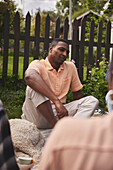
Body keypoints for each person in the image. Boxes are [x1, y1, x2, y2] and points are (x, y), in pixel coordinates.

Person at [22, 38, 98, 129]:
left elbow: (77, 94)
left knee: (92, 100)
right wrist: (56, 101)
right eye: (61, 50)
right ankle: (58, 129)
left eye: (67, 52)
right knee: (32, 87)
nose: (65, 54)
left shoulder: (70, 67)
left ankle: (72, 129)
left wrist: (88, 111)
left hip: (59, 114)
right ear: (51, 49)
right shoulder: (38, 64)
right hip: (37, 115)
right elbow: (29, 77)